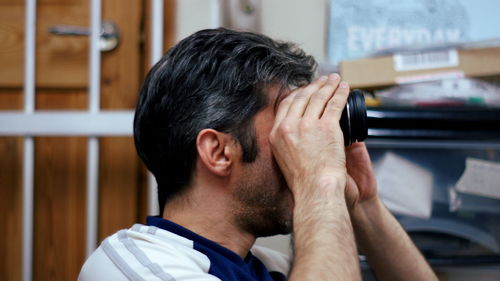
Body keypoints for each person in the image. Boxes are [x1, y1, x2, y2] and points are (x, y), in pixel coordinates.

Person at [79, 28, 438, 281]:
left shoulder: (271, 267)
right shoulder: (134, 267)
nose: (299, 139)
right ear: (219, 151)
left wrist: (364, 203)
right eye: (287, 120)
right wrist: (320, 183)